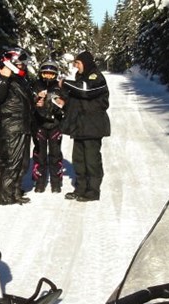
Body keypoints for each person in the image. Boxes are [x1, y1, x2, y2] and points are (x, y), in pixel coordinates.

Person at [58, 51, 110, 202]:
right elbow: (77, 99)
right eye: (75, 63)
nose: (76, 66)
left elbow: (86, 90)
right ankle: (80, 188)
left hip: (93, 127)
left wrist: (66, 83)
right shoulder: (80, 78)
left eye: (78, 63)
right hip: (79, 126)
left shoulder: (96, 76)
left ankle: (92, 191)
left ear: (85, 63)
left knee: (92, 160)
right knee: (79, 160)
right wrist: (64, 103)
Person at [0, 48, 34, 205]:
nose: (23, 67)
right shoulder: (1, 77)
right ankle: (8, 196)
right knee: (13, 162)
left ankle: (7, 191)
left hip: (18, 125)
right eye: (21, 64)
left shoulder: (18, 80)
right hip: (12, 125)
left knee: (15, 161)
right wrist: (4, 77)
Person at [31, 59, 64, 193]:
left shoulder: (59, 86)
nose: (48, 76)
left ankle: (56, 183)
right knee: (40, 155)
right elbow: (27, 101)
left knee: (55, 155)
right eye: (45, 73)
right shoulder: (35, 85)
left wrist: (62, 103)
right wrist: (36, 100)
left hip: (55, 124)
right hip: (39, 124)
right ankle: (40, 182)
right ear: (41, 73)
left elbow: (66, 101)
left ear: (55, 74)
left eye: (51, 74)